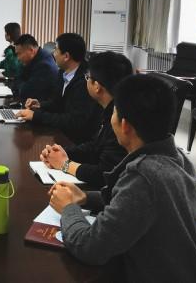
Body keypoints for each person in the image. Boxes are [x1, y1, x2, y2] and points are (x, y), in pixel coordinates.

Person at [49, 74, 196, 282]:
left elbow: (90, 247)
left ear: (124, 125)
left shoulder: (144, 177)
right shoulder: (175, 156)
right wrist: (86, 198)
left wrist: (68, 208)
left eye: (114, 112)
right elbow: (136, 204)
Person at [39, 51, 132, 187]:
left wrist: (65, 165)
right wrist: (62, 153)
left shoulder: (120, 119)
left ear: (97, 87)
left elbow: (105, 174)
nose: (85, 80)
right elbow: (96, 147)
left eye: (87, 77)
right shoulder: (109, 107)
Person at [16, 33, 102, 144]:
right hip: (61, 133)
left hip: (76, 141)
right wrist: (40, 104)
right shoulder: (63, 73)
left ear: (66, 56)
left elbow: (74, 121)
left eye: (56, 49)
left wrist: (36, 116)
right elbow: (58, 103)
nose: (53, 53)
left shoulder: (86, 81)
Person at [12, 34, 58, 102]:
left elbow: (25, 92)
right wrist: (21, 83)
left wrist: (19, 84)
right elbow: (17, 80)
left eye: (19, 54)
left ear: (31, 50)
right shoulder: (36, 58)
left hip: (42, 106)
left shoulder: (44, 66)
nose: (18, 58)